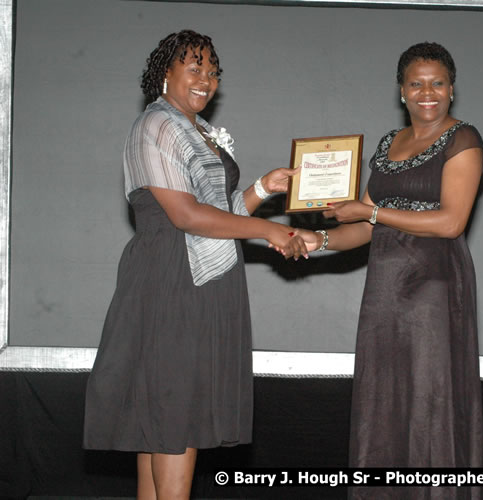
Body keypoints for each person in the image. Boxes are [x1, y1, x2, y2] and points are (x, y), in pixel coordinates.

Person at [83, 30, 305, 499]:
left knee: (161, 424)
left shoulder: (193, 129)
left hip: (200, 279)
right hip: (173, 280)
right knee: (174, 417)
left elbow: (220, 216)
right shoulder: (158, 125)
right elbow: (185, 216)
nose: (206, 79)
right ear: (166, 72)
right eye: (194, 67)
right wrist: (270, 232)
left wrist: (264, 188)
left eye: (212, 71)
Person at [294, 41, 483, 500]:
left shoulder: (464, 139)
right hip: (384, 289)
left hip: (434, 287)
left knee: (430, 400)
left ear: (452, 90)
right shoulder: (387, 143)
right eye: (416, 84)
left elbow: (450, 222)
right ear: (401, 91)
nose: (428, 93)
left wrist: (372, 213)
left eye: (437, 83)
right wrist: (318, 240)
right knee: (383, 397)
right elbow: (362, 224)